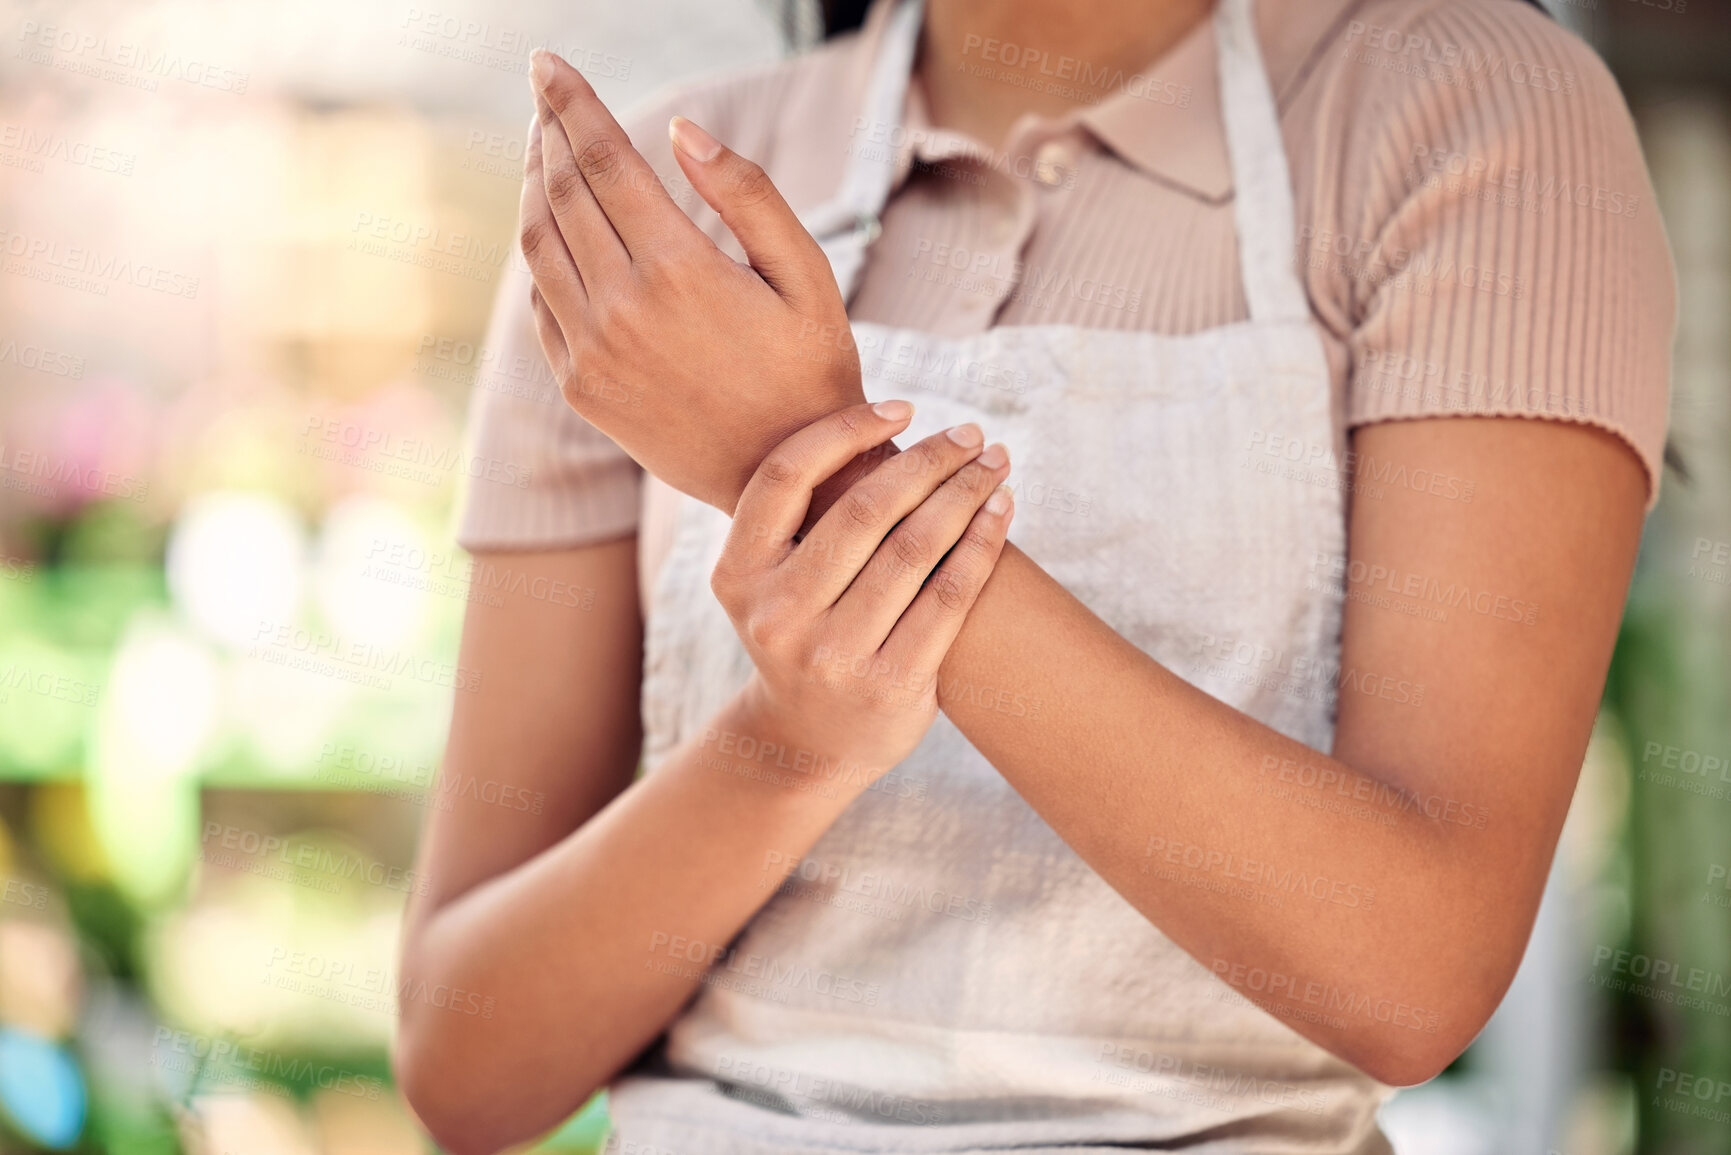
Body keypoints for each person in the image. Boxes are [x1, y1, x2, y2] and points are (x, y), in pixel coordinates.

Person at [393, 0, 1677, 1151]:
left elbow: (1414, 977)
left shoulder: (1463, 109)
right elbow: (470, 1066)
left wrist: (803, 462)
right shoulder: (647, 232)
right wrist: (790, 747)